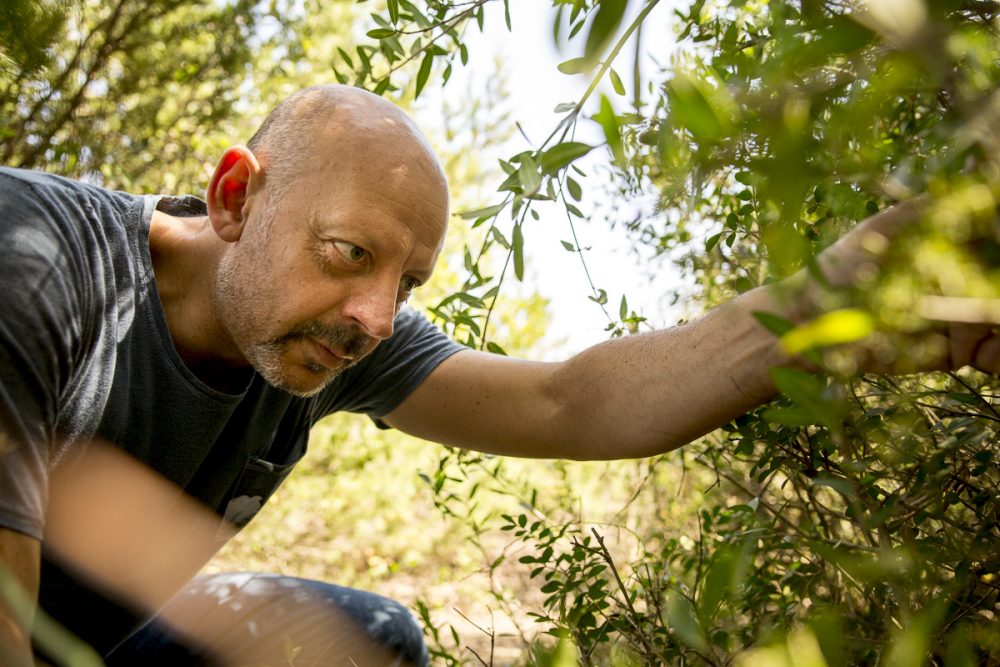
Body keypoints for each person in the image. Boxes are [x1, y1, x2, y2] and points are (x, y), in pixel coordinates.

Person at [0, 84, 996, 666]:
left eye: (408, 281)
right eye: (350, 252)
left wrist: (825, 308)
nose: (374, 319)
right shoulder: (31, 262)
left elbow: (572, 400)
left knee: (360, 639)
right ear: (233, 196)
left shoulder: (321, 326)